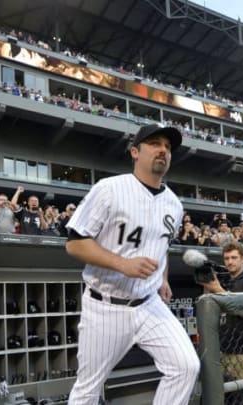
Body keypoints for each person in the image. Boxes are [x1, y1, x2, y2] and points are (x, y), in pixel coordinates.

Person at [65, 124, 199, 404]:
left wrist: (163, 278)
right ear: (135, 152)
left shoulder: (174, 204)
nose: (163, 149)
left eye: (168, 146)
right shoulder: (109, 189)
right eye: (154, 143)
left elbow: (161, 246)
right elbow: (75, 244)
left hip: (149, 304)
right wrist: (122, 264)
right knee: (87, 390)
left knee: (186, 366)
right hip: (105, 306)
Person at [199, 242, 243, 401]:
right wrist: (208, 286)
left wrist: (217, 289)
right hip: (223, 348)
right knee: (224, 397)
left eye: (234, 257)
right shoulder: (223, 280)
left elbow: (242, 310)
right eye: (226, 258)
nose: (230, 262)